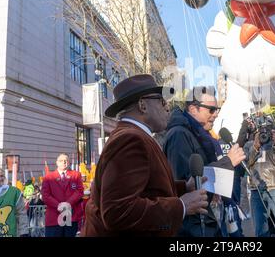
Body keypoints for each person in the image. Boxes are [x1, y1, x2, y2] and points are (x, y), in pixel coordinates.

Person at [82, 74, 208, 237]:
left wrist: (183, 188)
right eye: (162, 101)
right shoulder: (129, 139)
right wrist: (182, 205)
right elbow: (117, 211)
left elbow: (145, 190)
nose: (167, 107)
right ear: (142, 105)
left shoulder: (135, 136)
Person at [164, 86, 246, 237]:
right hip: (193, 225)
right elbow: (186, 181)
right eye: (211, 110)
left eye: (217, 109)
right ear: (193, 109)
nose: (215, 114)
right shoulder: (179, 135)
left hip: (207, 219)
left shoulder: (202, 135)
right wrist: (228, 162)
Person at [245, 125, 275, 237]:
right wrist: (255, 147)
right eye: (261, 133)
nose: (264, 135)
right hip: (256, 190)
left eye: (266, 132)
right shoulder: (250, 145)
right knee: (260, 231)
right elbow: (247, 166)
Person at [42, 153, 84, 237]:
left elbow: (79, 191)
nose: (64, 162)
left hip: (71, 216)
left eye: (66, 160)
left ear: (69, 163)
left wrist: (68, 203)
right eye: (61, 160)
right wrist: (58, 205)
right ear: (57, 163)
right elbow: (45, 195)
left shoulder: (76, 175)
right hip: (54, 216)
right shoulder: (48, 177)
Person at [0, 167, 29, 237]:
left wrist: (24, 232)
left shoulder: (14, 192)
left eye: (2, 176)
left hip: (11, 233)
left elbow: (21, 213)